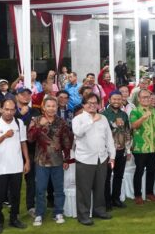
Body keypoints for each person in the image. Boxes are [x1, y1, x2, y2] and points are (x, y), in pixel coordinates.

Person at [0, 98, 29, 233]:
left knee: (15, 196)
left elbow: (23, 142)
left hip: (16, 166)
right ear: (1, 109)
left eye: (12, 110)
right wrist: (4, 136)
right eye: (6, 109)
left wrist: (27, 160)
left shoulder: (19, 123)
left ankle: (14, 219)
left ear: (15, 110)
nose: (9, 112)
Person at [27, 96, 72, 226]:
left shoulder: (61, 122)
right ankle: (39, 214)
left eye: (53, 106)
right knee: (40, 189)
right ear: (43, 107)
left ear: (57, 107)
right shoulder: (36, 120)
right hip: (41, 161)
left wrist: (67, 159)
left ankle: (58, 212)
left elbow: (66, 141)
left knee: (59, 189)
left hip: (57, 160)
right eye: (49, 106)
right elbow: (30, 138)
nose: (51, 108)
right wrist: (39, 126)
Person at [72, 94, 116, 225]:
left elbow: (109, 138)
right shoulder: (78, 119)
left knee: (100, 187)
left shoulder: (103, 118)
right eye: (89, 103)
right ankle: (83, 215)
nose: (92, 105)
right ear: (83, 105)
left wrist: (112, 156)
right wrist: (91, 121)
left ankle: (99, 210)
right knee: (84, 190)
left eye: (95, 103)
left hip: (101, 158)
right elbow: (78, 132)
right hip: (85, 159)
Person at [130, 89, 155, 204]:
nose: (146, 99)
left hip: (154, 146)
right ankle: (137, 195)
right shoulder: (135, 111)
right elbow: (133, 126)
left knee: (151, 171)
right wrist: (143, 117)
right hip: (140, 147)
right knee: (139, 171)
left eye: (148, 97)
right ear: (139, 99)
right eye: (143, 97)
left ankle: (149, 193)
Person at [103, 91, 131, 209]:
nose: (116, 101)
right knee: (106, 177)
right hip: (109, 152)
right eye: (114, 99)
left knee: (119, 176)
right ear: (109, 100)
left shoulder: (124, 114)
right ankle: (107, 201)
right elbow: (102, 133)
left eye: (119, 99)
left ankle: (116, 199)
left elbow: (127, 132)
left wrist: (128, 150)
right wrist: (114, 124)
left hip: (121, 150)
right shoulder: (103, 115)